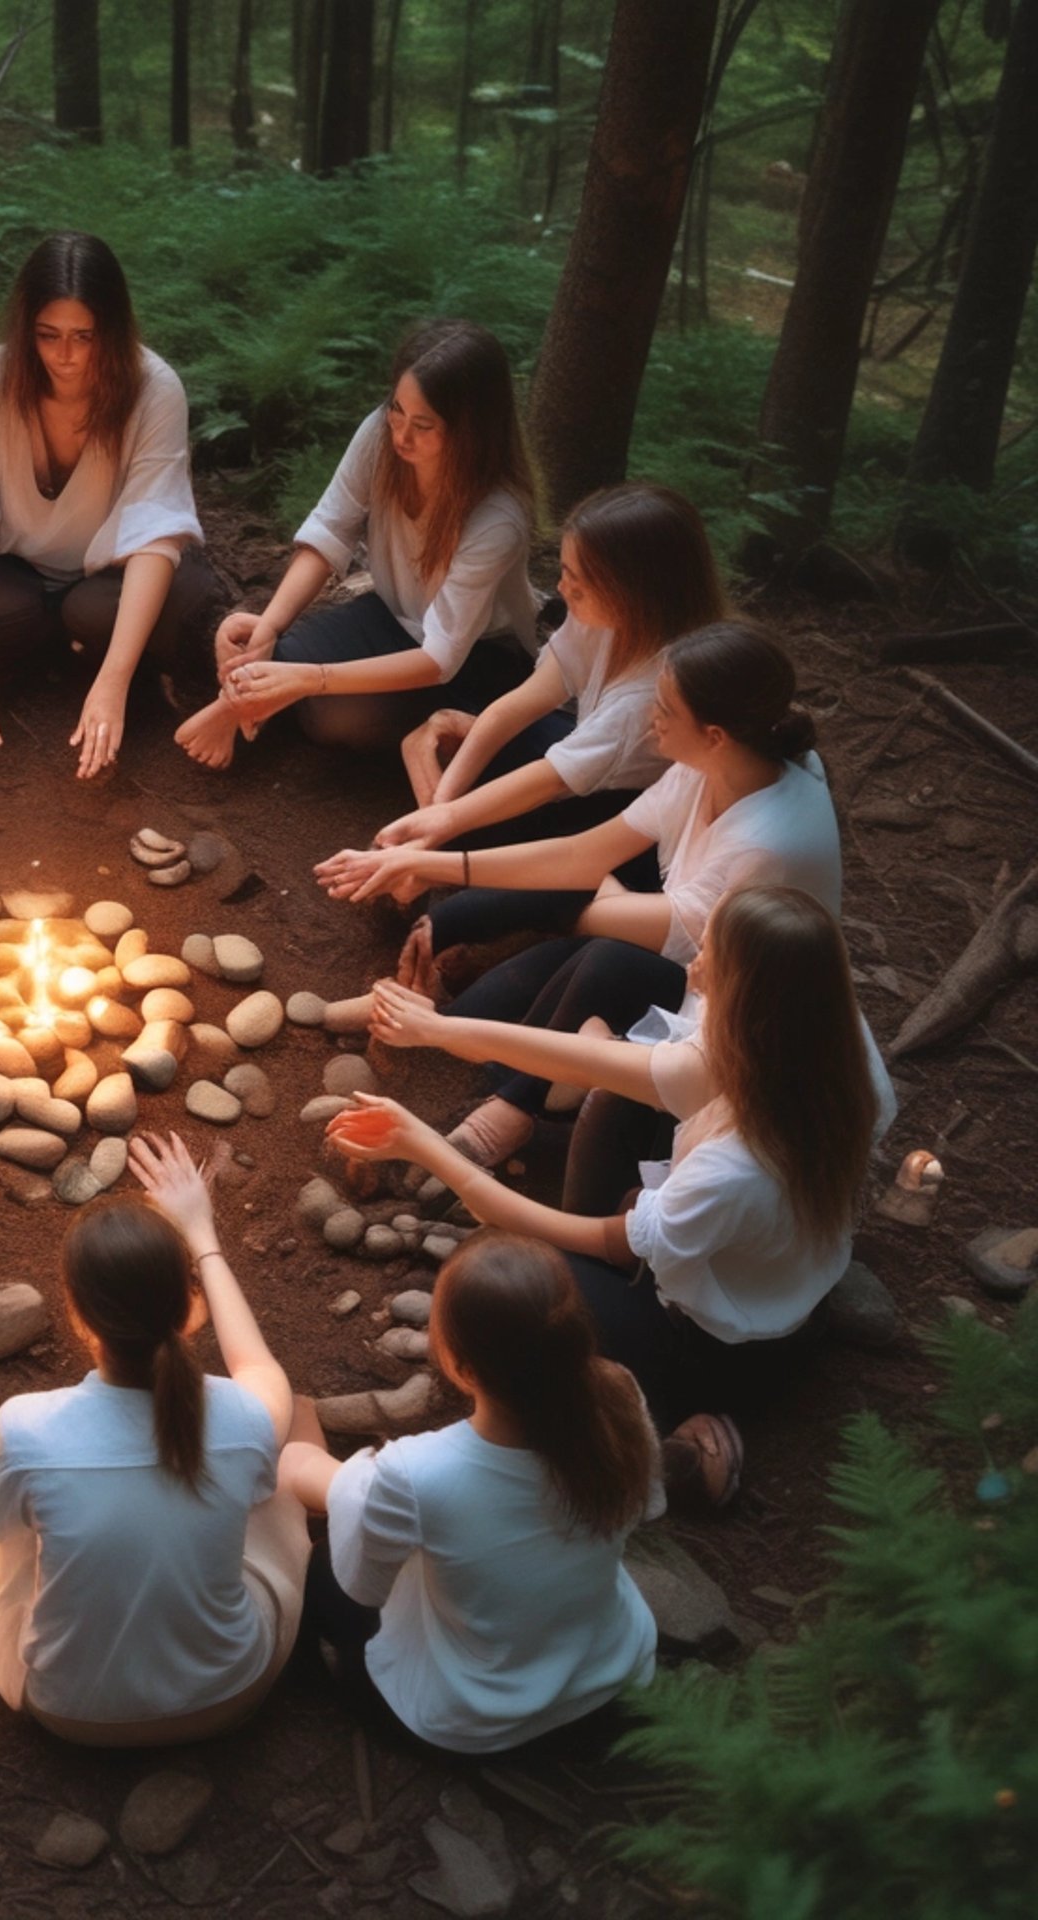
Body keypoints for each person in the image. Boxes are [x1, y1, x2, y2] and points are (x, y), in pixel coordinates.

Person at [339, 886, 892, 1503]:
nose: (692, 967)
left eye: (708, 957)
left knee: (504, 1282)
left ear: (746, 994)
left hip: (713, 1346)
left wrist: (420, 1143)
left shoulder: (737, 1165)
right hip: (761, 1270)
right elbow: (624, 1076)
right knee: (610, 1102)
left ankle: (659, 1454)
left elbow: (608, 1244)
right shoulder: (828, 1046)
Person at [315, 621, 840, 1168]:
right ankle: (441, 996)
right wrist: (423, 859)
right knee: (508, 984)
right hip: (668, 932)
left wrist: (442, 870)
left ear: (714, 734)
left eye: (664, 709)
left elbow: (594, 903)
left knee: (604, 962)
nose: (650, 718)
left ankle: (511, 1112)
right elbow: (585, 854)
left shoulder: (765, 845)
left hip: (725, 1014)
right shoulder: (716, 764)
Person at [0, 1133, 315, 1745]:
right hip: (231, 1692)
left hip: (68, 1713)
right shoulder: (245, 1415)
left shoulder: (26, 1427)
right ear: (188, 1307)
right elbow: (256, 1364)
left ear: (77, 1316)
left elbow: (2, 1532)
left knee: (21, 1537)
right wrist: (202, 1232)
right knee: (288, 1451)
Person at [279, 1233, 662, 1753]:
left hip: (478, 1722)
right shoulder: (621, 1396)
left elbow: (360, 1585)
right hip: (612, 1679)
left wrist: (300, 1418)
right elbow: (647, 1505)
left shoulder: (416, 1473)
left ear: (460, 1367)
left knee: (323, 1573)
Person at [371, 483, 728, 962]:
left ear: (633, 593)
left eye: (578, 581)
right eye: (565, 570)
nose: (562, 588)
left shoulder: (650, 698)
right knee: (465, 750)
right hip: (586, 773)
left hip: (630, 831)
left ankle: (508, 928)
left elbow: (548, 780)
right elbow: (520, 704)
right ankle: (459, 878)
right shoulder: (600, 617)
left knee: (505, 882)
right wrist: (439, 812)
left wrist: (437, 832)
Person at [0, 232, 216, 775]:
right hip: (13, 577)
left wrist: (114, 682)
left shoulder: (153, 389)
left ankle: (107, 664)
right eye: (48, 336)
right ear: (26, 330)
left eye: (84, 337)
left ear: (113, 332)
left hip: (106, 582)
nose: (66, 356)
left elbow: (154, 531)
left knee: (175, 598)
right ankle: (20, 654)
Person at [175, 318, 539, 769]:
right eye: (396, 411)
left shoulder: (497, 519)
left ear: (471, 431)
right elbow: (331, 529)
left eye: (423, 425)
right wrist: (270, 624)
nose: (401, 435)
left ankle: (252, 709)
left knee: (334, 715)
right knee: (278, 657)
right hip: (390, 615)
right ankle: (248, 704)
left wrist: (311, 679)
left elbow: (440, 657)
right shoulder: (380, 437)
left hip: (477, 656)